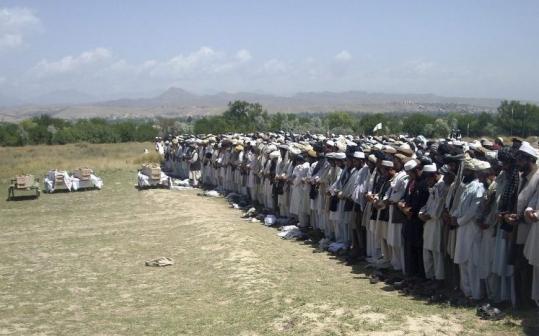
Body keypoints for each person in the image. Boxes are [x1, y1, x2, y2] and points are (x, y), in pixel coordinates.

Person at [505, 141, 539, 309]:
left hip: (530, 231)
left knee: (526, 269)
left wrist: (522, 217)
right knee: (518, 268)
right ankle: (518, 303)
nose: (518, 163)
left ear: (529, 159)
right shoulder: (522, 176)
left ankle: (527, 305)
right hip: (519, 228)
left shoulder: (537, 177)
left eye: (520, 160)